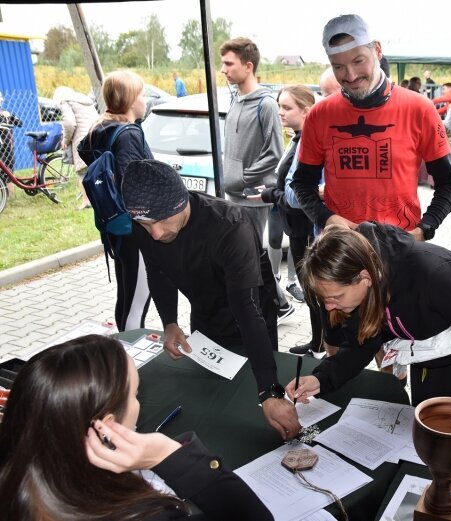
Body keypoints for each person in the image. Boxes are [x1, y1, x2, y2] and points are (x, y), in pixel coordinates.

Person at [0, 334, 273, 520]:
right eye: (135, 394)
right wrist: (168, 454)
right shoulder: (147, 513)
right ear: (107, 428)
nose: (138, 402)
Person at [121, 159, 300, 440]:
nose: (154, 233)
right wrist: (169, 322)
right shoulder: (144, 225)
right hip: (204, 314)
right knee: (212, 400)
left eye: (161, 221)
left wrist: (270, 390)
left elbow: (248, 310)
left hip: (251, 317)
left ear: (181, 204)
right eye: (144, 224)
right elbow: (157, 270)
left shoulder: (230, 227)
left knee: (248, 399)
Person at [286, 223, 451, 405]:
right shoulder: (359, 292)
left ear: (365, 278)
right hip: (429, 345)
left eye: (335, 297)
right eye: (325, 299)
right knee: (423, 411)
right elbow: (361, 345)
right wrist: (321, 379)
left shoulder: (432, 273)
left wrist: (434, 351)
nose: (329, 307)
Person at [292, 13, 451, 243]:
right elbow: (302, 183)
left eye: (358, 61)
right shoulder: (319, 115)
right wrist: (327, 219)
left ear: (378, 50)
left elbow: (450, 182)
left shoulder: (419, 108)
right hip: (343, 252)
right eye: (338, 67)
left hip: (401, 250)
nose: (350, 75)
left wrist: (424, 229)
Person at [219, 37, 294, 325]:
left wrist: (242, 178)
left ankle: (277, 302)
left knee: (249, 253)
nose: (224, 69)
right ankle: (278, 302)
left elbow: (274, 152)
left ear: (248, 66)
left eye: (229, 63)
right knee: (245, 252)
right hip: (234, 192)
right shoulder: (235, 97)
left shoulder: (265, 104)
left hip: (252, 195)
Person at [78, 70, 152, 332]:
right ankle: (130, 364)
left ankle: (123, 353)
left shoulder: (100, 129)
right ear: (131, 99)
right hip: (136, 229)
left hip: (114, 227)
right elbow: (135, 184)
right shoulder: (129, 133)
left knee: (126, 294)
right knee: (137, 303)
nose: (146, 100)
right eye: (142, 94)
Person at [260, 85, 323, 356]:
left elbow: (296, 193)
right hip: (296, 226)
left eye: (287, 107)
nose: (280, 112)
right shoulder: (297, 137)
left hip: (305, 225)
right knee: (311, 288)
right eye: (279, 107)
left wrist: (270, 194)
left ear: (306, 110)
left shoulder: (307, 140)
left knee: (314, 287)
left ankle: (320, 344)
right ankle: (318, 340)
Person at [54, 86, 99, 210]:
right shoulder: (85, 102)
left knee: (82, 173)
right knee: (97, 169)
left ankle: (86, 201)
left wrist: (65, 140)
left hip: (82, 139)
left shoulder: (65, 102)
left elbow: (69, 123)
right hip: (96, 136)